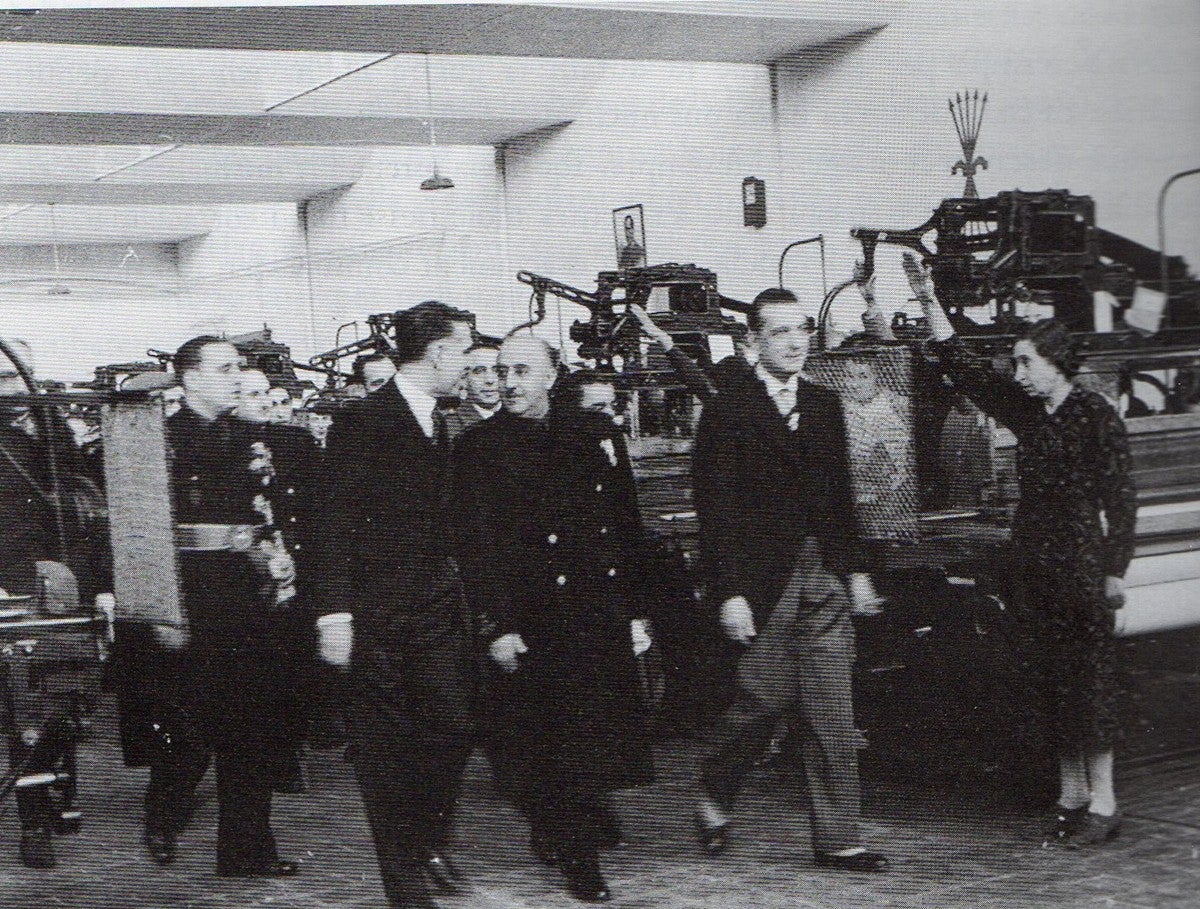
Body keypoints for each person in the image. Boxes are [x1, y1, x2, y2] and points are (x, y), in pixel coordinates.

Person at [907, 254, 1137, 849]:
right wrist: (929, 301)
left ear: (1058, 364)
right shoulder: (1030, 412)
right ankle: (1071, 793)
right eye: (1017, 363)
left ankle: (1106, 800)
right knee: (1050, 682)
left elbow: (1123, 497)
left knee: (1091, 686)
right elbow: (969, 373)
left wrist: (1115, 570)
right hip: (1033, 563)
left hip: (1083, 564)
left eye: (1027, 362)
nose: (1020, 372)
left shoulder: (1095, 415)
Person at [690, 287, 889, 873]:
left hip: (820, 575)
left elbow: (839, 499)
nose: (797, 341)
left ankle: (838, 838)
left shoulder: (824, 405)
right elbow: (715, 509)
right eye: (779, 332)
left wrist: (853, 571)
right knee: (761, 703)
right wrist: (729, 592)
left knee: (833, 711)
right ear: (751, 341)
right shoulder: (727, 409)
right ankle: (713, 788)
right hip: (760, 583)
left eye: (802, 329)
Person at [452, 337, 654, 903]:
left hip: (594, 609)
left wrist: (636, 609)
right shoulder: (478, 449)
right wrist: (497, 625)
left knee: (592, 728)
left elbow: (624, 524)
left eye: (521, 370)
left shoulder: (593, 433)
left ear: (553, 374)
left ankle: (574, 819)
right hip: (533, 617)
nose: (508, 381)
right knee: (552, 738)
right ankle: (577, 858)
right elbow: (476, 551)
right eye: (500, 370)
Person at [319, 301, 477, 909]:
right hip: (377, 615)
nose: (468, 365)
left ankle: (428, 838)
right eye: (464, 352)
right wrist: (334, 612)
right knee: (384, 750)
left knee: (456, 726)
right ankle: (405, 884)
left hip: (435, 610)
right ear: (438, 352)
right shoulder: (365, 420)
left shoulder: (438, 420)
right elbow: (332, 521)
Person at [134, 336, 302, 877]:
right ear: (191, 379)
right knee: (188, 730)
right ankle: (162, 817)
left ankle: (246, 851)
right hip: (189, 597)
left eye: (240, 368)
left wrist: (279, 568)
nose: (238, 376)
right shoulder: (156, 440)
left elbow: (267, 512)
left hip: (248, 598)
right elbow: (139, 535)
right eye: (225, 368)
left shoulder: (254, 437)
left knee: (253, 727)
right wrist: (161, 609)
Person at [439, 342, 501, 440]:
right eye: (479, 371)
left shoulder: (520, 419)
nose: (490, 380)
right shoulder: (448, 426)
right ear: (464, 379)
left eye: (497, 371)